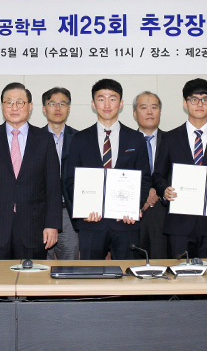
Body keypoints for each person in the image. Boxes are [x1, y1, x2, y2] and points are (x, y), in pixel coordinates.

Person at [0, 82, 61, 259]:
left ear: (30, 106)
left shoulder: (44, 139)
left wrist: (52, 225)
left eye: (20, 102)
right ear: (2, 106)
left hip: (33, 227)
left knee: (32, 276)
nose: (14, 107)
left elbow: (53, 186)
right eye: (9, 102)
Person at [64, 79, 151, 260]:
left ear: (121, 103)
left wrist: (134, 207)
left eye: (112, 99)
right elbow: (70, 180)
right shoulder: (80, 139)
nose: (107, 104)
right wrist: (82, 210)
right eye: (101, 99)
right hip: (91, 223)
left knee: (127, 273)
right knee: (91, 273)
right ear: (93, 104)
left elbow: (144, 178)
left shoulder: (136, 139)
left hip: (125, 222)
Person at [154, 79, 207, 259]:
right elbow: (158, 175)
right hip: (179, 225)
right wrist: (164, 191)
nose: (200, 104)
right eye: (194, 99)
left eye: (205, 99)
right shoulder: (170, 138)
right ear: (185, 103)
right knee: (179, 273)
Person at [42, 87, 79, 260]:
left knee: (70, 265)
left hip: (68, 212)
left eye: (62, 104)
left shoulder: (80, 139)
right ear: (44, 109)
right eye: (52, 104)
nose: (57, 108)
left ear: (69, 108)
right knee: (40, 265)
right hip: (40, 212)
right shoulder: (33, 138)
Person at [132, 91, 167, 259]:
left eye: (154, 107)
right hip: (134, 213)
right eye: (143, 107)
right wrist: (144, 194)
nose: (149, 112)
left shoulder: (172, 140)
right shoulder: (125, 140)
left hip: (164, 213)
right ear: (134, 113)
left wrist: (158, 190)